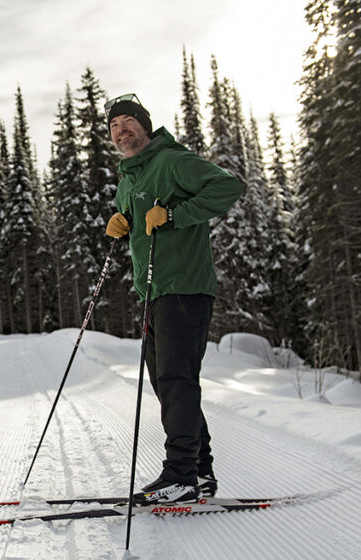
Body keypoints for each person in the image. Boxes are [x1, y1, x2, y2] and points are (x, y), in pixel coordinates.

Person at [103, 93, 243, 506]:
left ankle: (180, 475)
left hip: (184, 286)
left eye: (128, 122)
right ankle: (199, 472)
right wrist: (121, 225)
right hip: (153, 292)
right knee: (168, 384)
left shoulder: (172, 161)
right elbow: (140, 223)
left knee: (177, 381)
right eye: (114, 126)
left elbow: (229, 186)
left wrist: (176, 215)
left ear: (145, 126)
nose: (121, 130)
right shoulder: (129, 178)